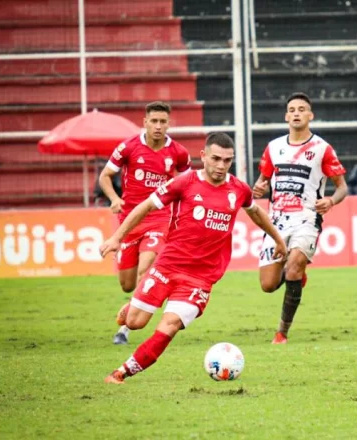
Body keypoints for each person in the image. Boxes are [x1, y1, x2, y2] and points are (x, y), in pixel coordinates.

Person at [99, 132, 287, 384]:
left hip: (200, 279)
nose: (221, 166)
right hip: (167, 266)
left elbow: (255, 212)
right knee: (134, 323)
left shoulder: (239, 189)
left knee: (170, 325)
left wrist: (278, 239)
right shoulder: (184, 182)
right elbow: (145, 206)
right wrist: (116, 238)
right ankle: (132, 307)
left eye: (227, 161)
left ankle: (121, 373)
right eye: (216, 159)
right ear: (203, 156)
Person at [252, 92, 348, 344]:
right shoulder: (274, 147)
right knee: (268, 285)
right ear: (286, 116)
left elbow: (342, 187)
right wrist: (260, 187)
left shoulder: (322, 148)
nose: (296, 113)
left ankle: (282, 332)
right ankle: (296, 273)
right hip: (276, 222)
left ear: (310, 115)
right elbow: (262, 180)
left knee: (293, 266)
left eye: (301, 109)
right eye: (292, 109)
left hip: (307, 219)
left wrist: (330, 201)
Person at [99, 101, 191, 345]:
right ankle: (133, 304)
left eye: (163, 122)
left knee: (146, 267)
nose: (158, 126)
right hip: (129, 220)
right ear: (145, 122)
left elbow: (187, 183)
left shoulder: (178, 153)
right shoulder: (128, 147)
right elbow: (105, 176)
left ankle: (126, 330)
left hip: (159, 218)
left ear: (169, 124)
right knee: (127, 284)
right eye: (154, 121)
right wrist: (114, 198)